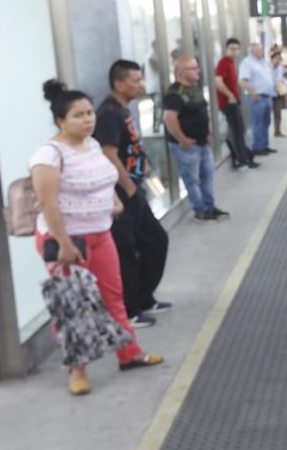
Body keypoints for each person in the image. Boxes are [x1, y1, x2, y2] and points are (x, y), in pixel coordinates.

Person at [31, 79, 164, 395]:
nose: (88, 119)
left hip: (100, 233)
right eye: (78, 115)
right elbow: (48, 203)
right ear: (61, 120)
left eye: (89, 112)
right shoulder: (48, 155)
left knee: (113, 297)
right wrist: (63, 243)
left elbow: (105, 178)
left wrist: (114, 203)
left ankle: (129, 353)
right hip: (67, 240)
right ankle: (76, 370)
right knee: (72, 304)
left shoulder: (90, 144)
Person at [94, 60, 171, 329]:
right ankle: (130, 309)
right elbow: (108, 153)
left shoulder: (123, 110)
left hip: (134, 188)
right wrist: (127, 187)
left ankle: (143, 298)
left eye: (141, 80)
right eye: (136, 80)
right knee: (126, 249)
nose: (141, 85)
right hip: (121, 193)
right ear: (119, 83)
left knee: (154, 241)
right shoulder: (109, 114)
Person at [163, 56, 230, 222]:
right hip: (187, 146)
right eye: (193, 68)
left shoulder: (194, 88)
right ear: (180, 72)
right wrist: (182, 139)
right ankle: (200, 210)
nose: (198, 71)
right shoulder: (174, 93)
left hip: (201, 142)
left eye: (197, 67)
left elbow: (200, 112)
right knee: (192, 179)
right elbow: (169, 118)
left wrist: (205, 134)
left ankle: (209, 206)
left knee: (207, 176)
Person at [215, 37, 258, 170]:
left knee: (239, 130)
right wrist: (230, 95)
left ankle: (244, 157)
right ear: (226, 49)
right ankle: (242, 160)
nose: (234, 52)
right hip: (229, 103)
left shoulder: (231, 63)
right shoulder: (223, 63)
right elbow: (218, 82)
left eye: (236, 49)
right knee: (237, 132)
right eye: (231, 49)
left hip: (233, 102)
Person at [238, 42, 277, 156]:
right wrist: (253, 93)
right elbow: (242, 81)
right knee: (257, 122)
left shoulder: (262, 62)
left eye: (261, 50)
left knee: (266, 122)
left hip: (267, 96)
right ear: (253, 51)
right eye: (259, 50)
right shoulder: (247, 63)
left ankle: (264, 145)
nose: (261, 52)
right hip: (257, 97)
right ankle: (257, 147)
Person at [270, 47, 287, 138]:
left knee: (278, 113)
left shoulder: (279, 69)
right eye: (276, 59)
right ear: (272, 59)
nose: (278, 61)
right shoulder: (268, 69)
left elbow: (281, 79)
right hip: (270, 94)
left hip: (278, 94)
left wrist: (284, 83)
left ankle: (277, 131)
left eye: (279, 59)